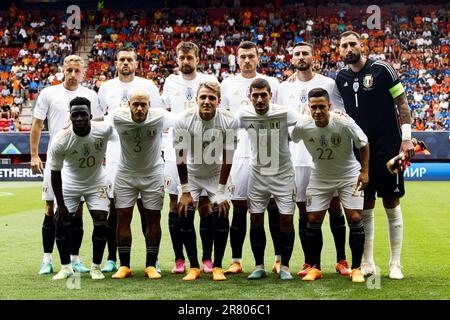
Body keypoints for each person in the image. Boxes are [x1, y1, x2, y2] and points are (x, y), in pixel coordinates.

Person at [335, 31, 415, 280]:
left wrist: (406, 138)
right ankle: (367, 261)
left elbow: (402, 102)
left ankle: (395, 264)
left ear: (362, 46)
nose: (349, 49)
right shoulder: (341, 77)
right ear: (340, 51)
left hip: (389, 147)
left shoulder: (382, 69)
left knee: (391, 202)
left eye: (353, 44)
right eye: (344, 46)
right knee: (365, 205)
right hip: (359, 151)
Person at [277, 42, 351, 277]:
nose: (301, 57)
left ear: (313, 57)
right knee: (303, 211)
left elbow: (339, 115)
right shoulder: (282, 88)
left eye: (305, 53)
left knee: (334, 206)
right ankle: (311, 263)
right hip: (296, 157)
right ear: (292, 58)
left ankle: (342, 260)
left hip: (325, 157)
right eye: (297, 53)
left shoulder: (328, 84)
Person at [30, 55, 102, 275]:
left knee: (76, 211)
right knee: (51, 209)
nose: (72, 74)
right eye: (69, 70)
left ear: (83, 72)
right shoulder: (49, 93)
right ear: (63, 69)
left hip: (79, 162)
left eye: (76, 71)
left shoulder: (90, 95)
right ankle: (47, 259)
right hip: (56, 161)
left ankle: (74, 259)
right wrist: (34, 154)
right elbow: (37, 125)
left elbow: (97, 124)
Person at [291, 88, 369, 283]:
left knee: (355, 216)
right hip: (321, 175)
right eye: (313, 107)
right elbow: (292, 139)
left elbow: (363, 143)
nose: (317, 111)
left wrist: (365, 171)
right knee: (314, 217)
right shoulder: (303, 125)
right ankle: (315, 267)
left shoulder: (343, 122)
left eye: (321, 107)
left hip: (348, 174)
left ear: (330, 106)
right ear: (308, 107)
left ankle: (357, 268)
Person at [97, 47, 164, 273]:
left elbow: (159, 119)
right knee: (115, 210)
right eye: (122, 59)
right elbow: (100, 118)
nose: (126, 63)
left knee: (148, 210)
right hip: (116, 158)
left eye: (130, 59)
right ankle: (113, 259)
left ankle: (151, 261)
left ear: (136, 63)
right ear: (115, 63)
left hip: (144, 156)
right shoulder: (106, 87)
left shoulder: (148, 86)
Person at [220, 41, 283, 275]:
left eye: (251, 56)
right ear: (236, 59)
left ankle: (278, 259)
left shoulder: (273, 83)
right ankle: (236, 260)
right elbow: (224, 122)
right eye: (242, 56)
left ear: (259, 58)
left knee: (272, 207)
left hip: (268, 155)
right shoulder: (227, 84)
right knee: (239, 208)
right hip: (238, 155)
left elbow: (282, 117)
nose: (247, 60)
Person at [161, 41, 219, 274]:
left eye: (190, 58)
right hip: (177, 151)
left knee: (205, 205)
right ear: (177, 59)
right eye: (182, 58)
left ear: (197, 58)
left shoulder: (209, 81)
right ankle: (179, 259)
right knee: (176, 205)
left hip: (205, 151)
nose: (186, 61)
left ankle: (206, 259)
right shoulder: (169, 82)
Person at [174, 81, 237, 281]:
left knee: (222, 212)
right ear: (196, 99)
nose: (207, 101)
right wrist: (184, 190)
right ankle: (194, 266)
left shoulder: (229, 120)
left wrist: (220, 191)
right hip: (191, 175)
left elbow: (228, 158)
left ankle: (217, 265)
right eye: (203, 97)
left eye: (211, 98)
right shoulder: (183, 119)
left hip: (216, 174)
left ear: (218, 101)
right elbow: (180, 157)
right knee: (184, 213)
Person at [236, 78, 297, 280]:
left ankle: (285, 266)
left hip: (283, 173)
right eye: (256, 95)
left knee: (286, 218)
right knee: (255, 217)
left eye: (264, 95)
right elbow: (224, 122)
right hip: (258, 174)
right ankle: (259, 265)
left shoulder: (284, 113)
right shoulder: (243, 115)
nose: (260, 99)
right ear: (249, 96)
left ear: (270, 95)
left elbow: (307, 118)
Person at [109, 88, 173, 280]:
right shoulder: (117, 117)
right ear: (128, 105)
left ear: (149, 105)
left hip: (152, 174)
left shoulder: (160, 117)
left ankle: (151, 266)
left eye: (142, 104)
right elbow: (96, 124)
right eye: (135, 104)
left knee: (153, 218)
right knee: (123, 217)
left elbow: (183, 119)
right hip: (125, 174)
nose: (139, 108)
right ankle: (124, 266)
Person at [49, 97, 112, 280]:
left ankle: (96, 267)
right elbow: (55, 173)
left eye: (83, 114)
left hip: (97, 182)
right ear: (70, 116)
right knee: (61, 222)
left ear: (90, 116)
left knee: (101, 222)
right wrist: (60, 204)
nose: (79, 119)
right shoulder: (61, 140)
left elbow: (119, 123)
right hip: (69, 184)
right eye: (75, 115)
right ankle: (66, 267)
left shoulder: (104, 129)